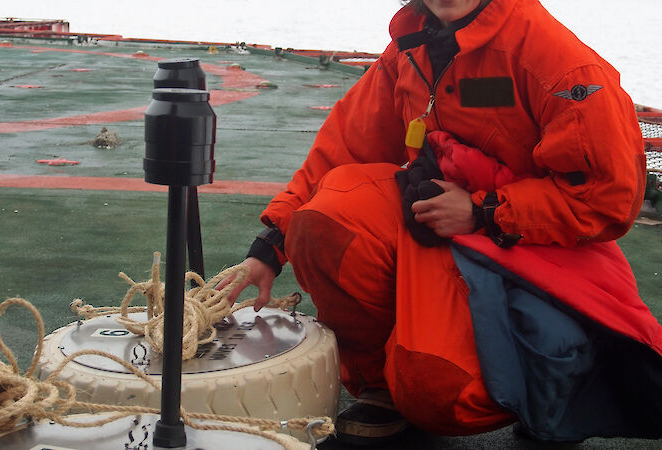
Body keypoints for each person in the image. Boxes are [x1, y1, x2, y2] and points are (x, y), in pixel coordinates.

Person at [217, 0, 662, 446]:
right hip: (437, 228)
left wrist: (484, 211)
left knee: (442, 393)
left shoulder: (562, 66)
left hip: (536, 252)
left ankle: (553, 387)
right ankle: (382, 388)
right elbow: (344, 147)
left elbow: (611, 197)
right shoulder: (411, 48)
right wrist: (271, 245)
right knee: (326, 218)